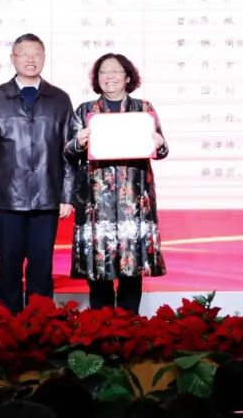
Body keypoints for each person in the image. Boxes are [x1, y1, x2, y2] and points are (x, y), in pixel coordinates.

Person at [0, 33, 75, 313]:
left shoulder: (60, 99)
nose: (31, 59)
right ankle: (7, 327)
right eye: (24, 54)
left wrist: (67, 196)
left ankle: (40, 325)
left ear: (44, 58)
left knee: (42, 267)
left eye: (36, 54)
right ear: (13, 58)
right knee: (8, 266)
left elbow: (70, 151)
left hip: (47, 197)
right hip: (7, 199)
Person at [65, 52, 167, 313]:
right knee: (98, 270)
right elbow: (68, 152)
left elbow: (162, 150)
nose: (109, 76)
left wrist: (160, 144)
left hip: (134, 202)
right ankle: (101, 327)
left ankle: (128, 325)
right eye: (103, 72)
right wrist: (78, 143)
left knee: (132, 270)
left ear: (128, 77)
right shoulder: (85, 110)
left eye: (115, 71)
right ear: (96, 78)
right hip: (95, 204)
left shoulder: (143, 109)